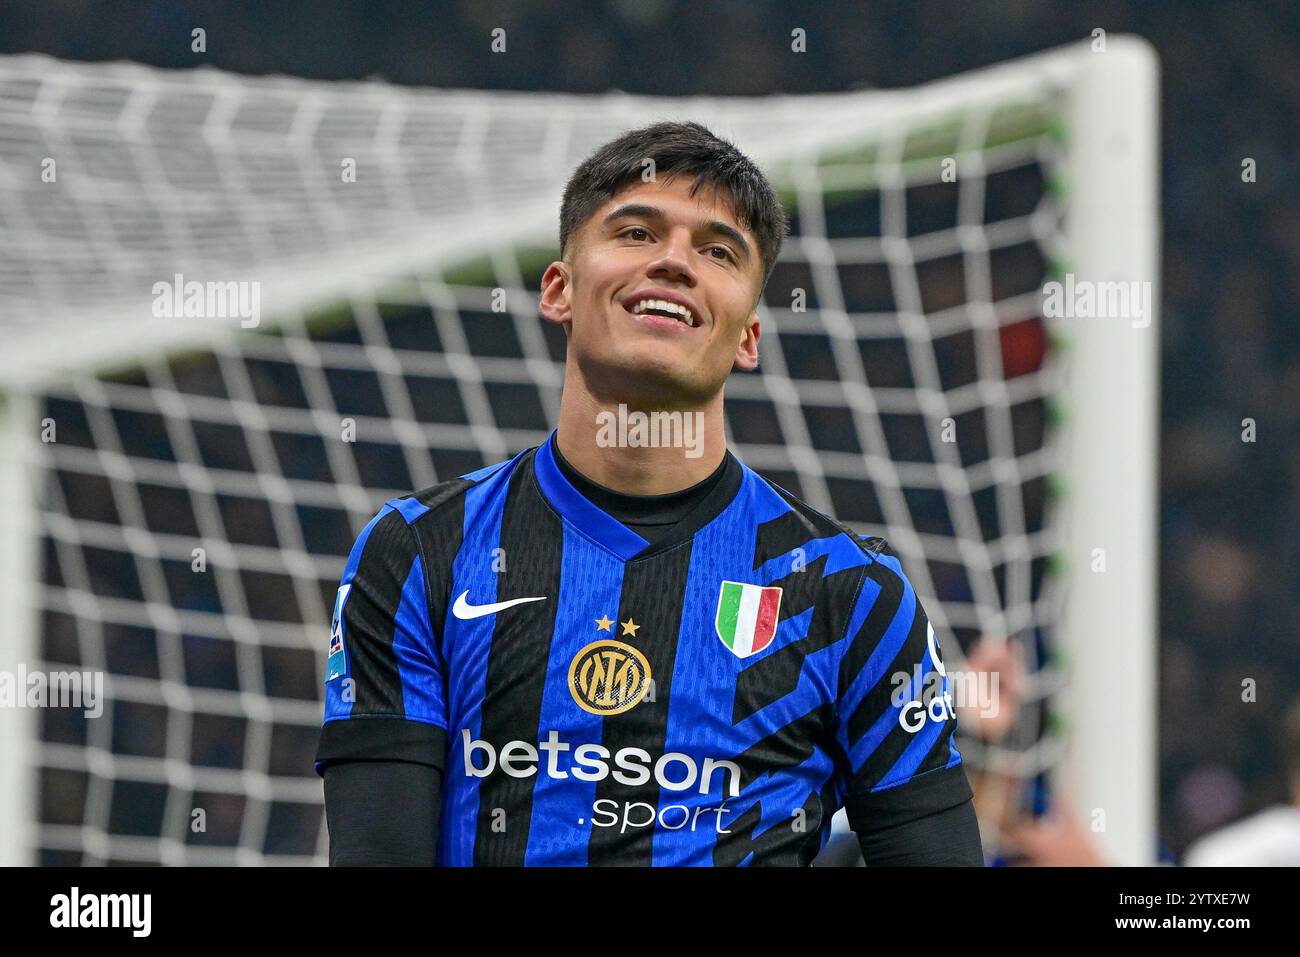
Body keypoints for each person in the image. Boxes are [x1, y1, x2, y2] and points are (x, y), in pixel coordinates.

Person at [314, 120, 983, 866]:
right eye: (636, 232)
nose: (673, 261)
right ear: (559, 290)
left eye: (718, 251)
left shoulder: (848, 592)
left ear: (749, 337)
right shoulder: (419, 552)